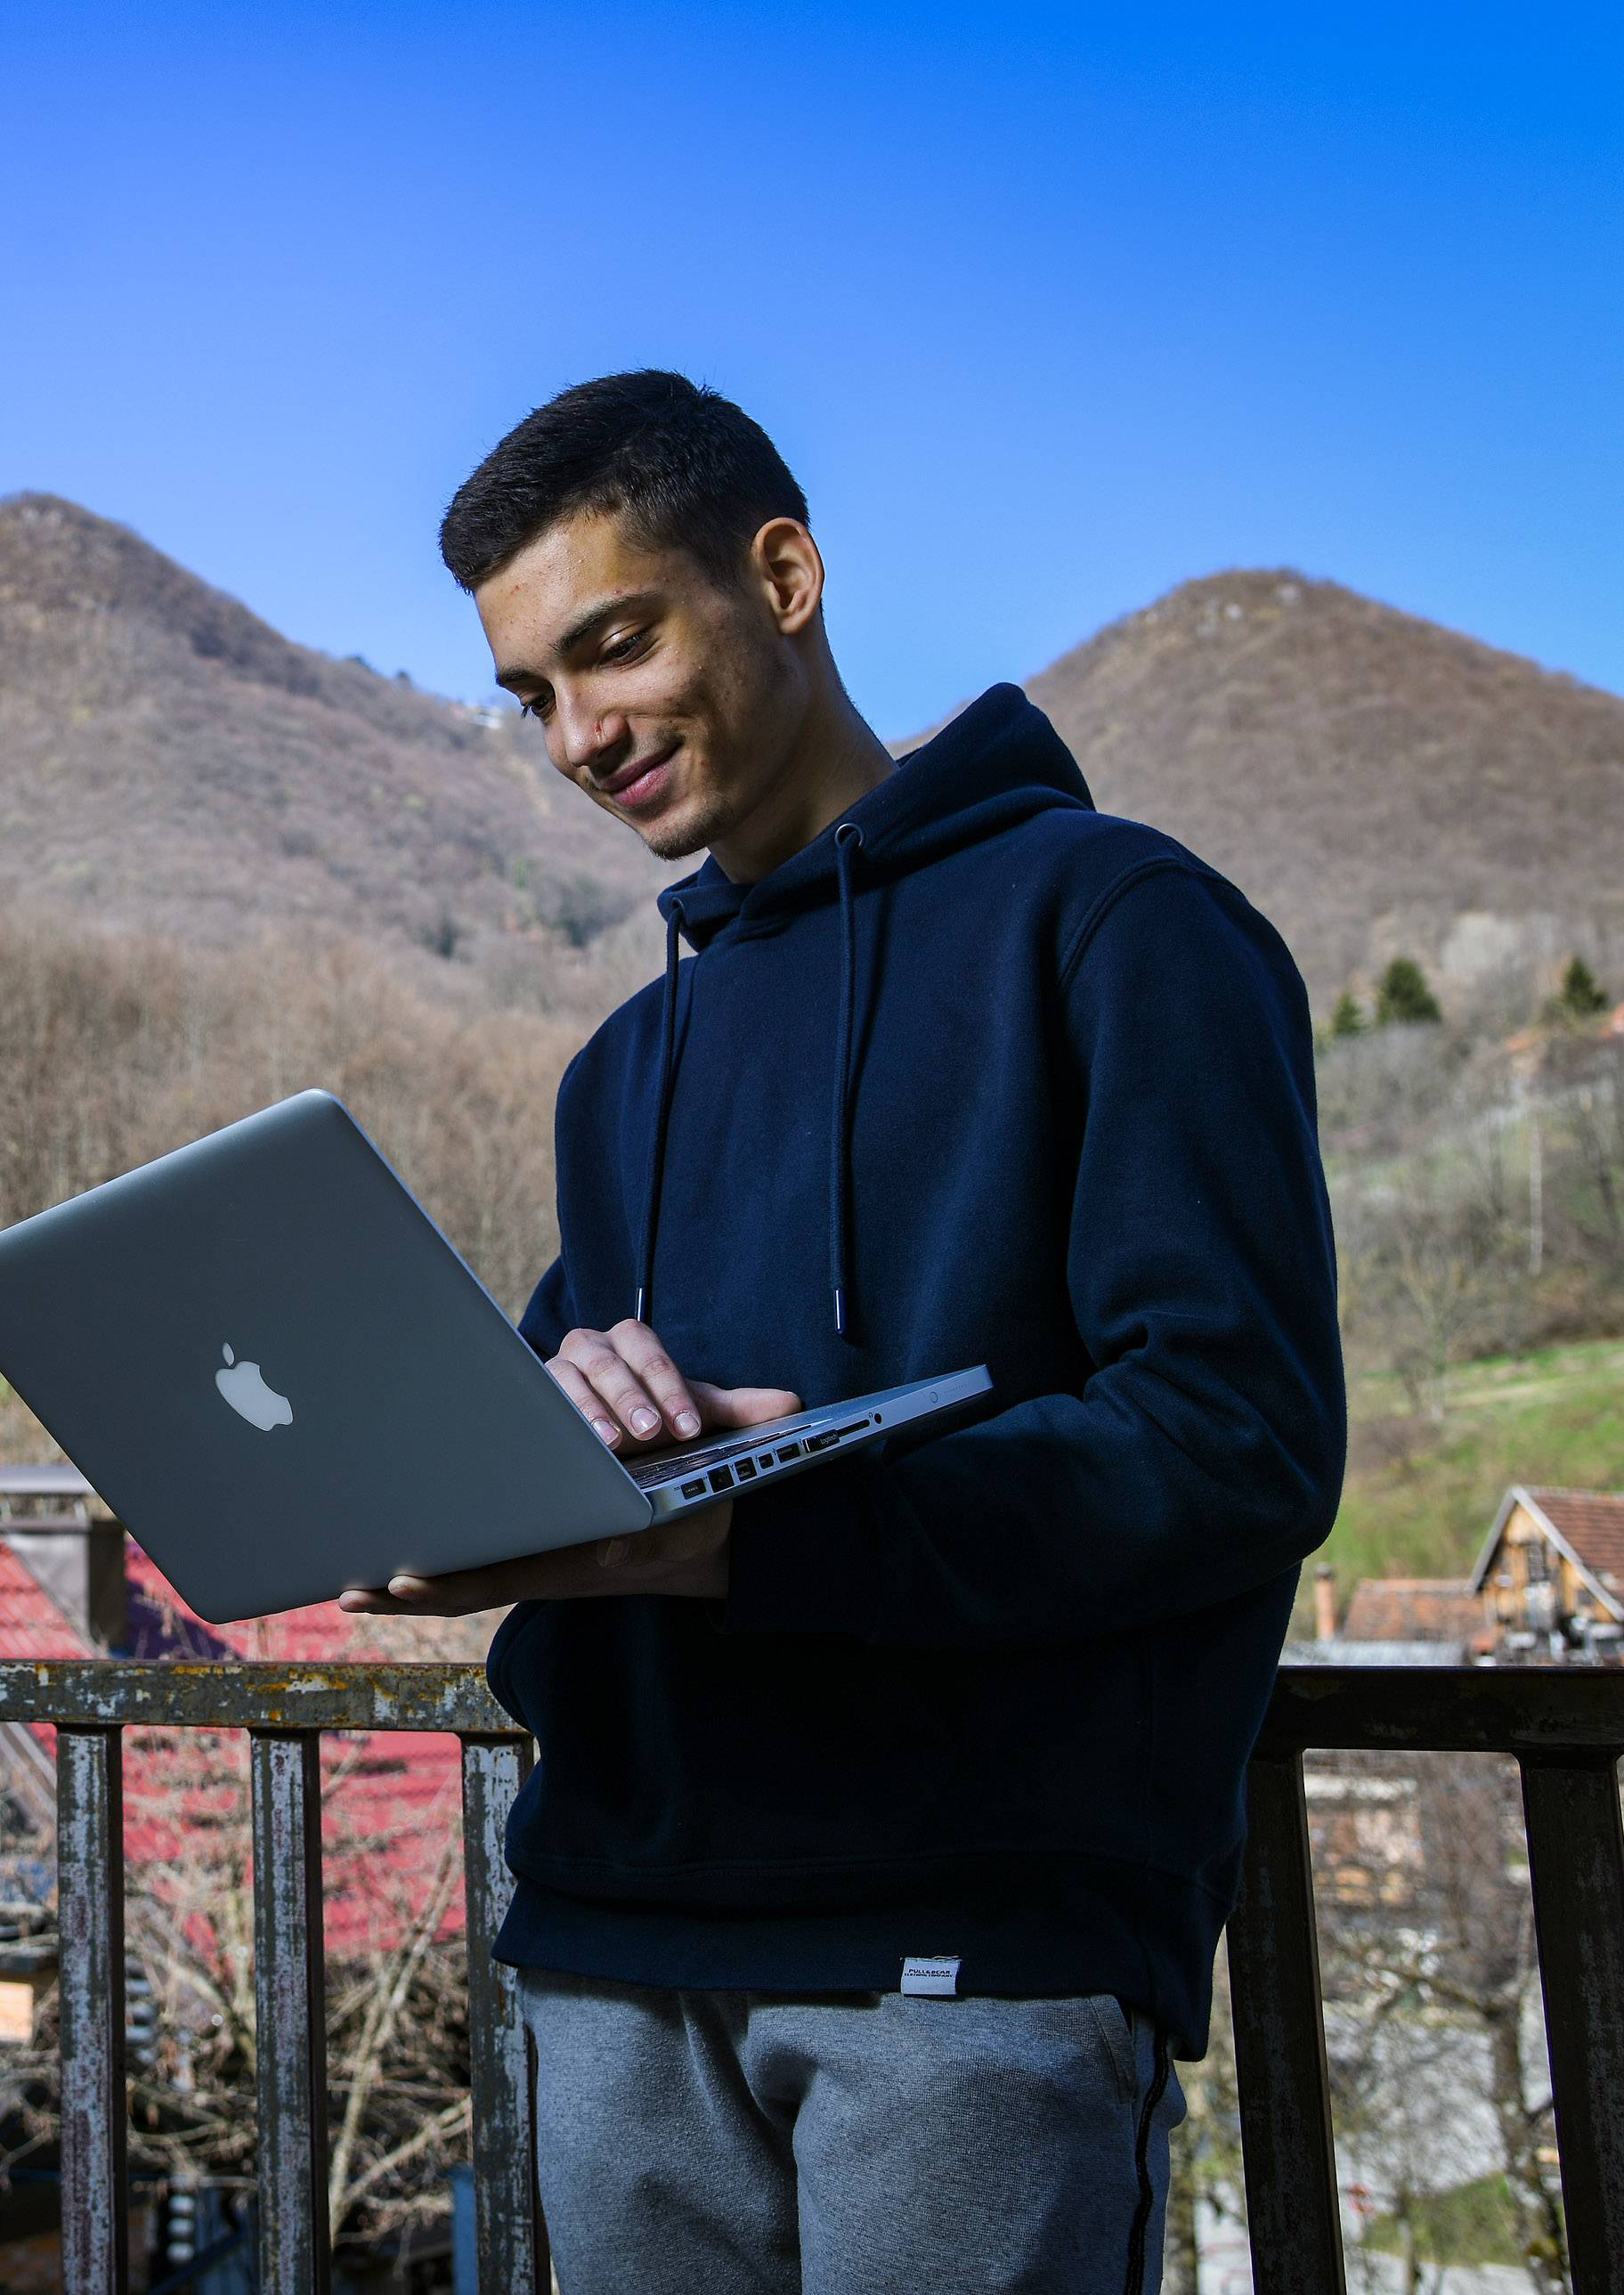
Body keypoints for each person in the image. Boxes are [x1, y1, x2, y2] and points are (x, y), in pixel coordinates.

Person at [341, 369, 1345, 2293]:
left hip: (968, 1957)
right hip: (614, 1945)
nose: (577, 732)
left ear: (782, 574)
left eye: (611, 646)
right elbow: (581, 1456)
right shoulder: (618, 1068)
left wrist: (755, 1518)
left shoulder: (1123, 923)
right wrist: (534, 1430)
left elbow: (1235, 1436)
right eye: (531, 692)